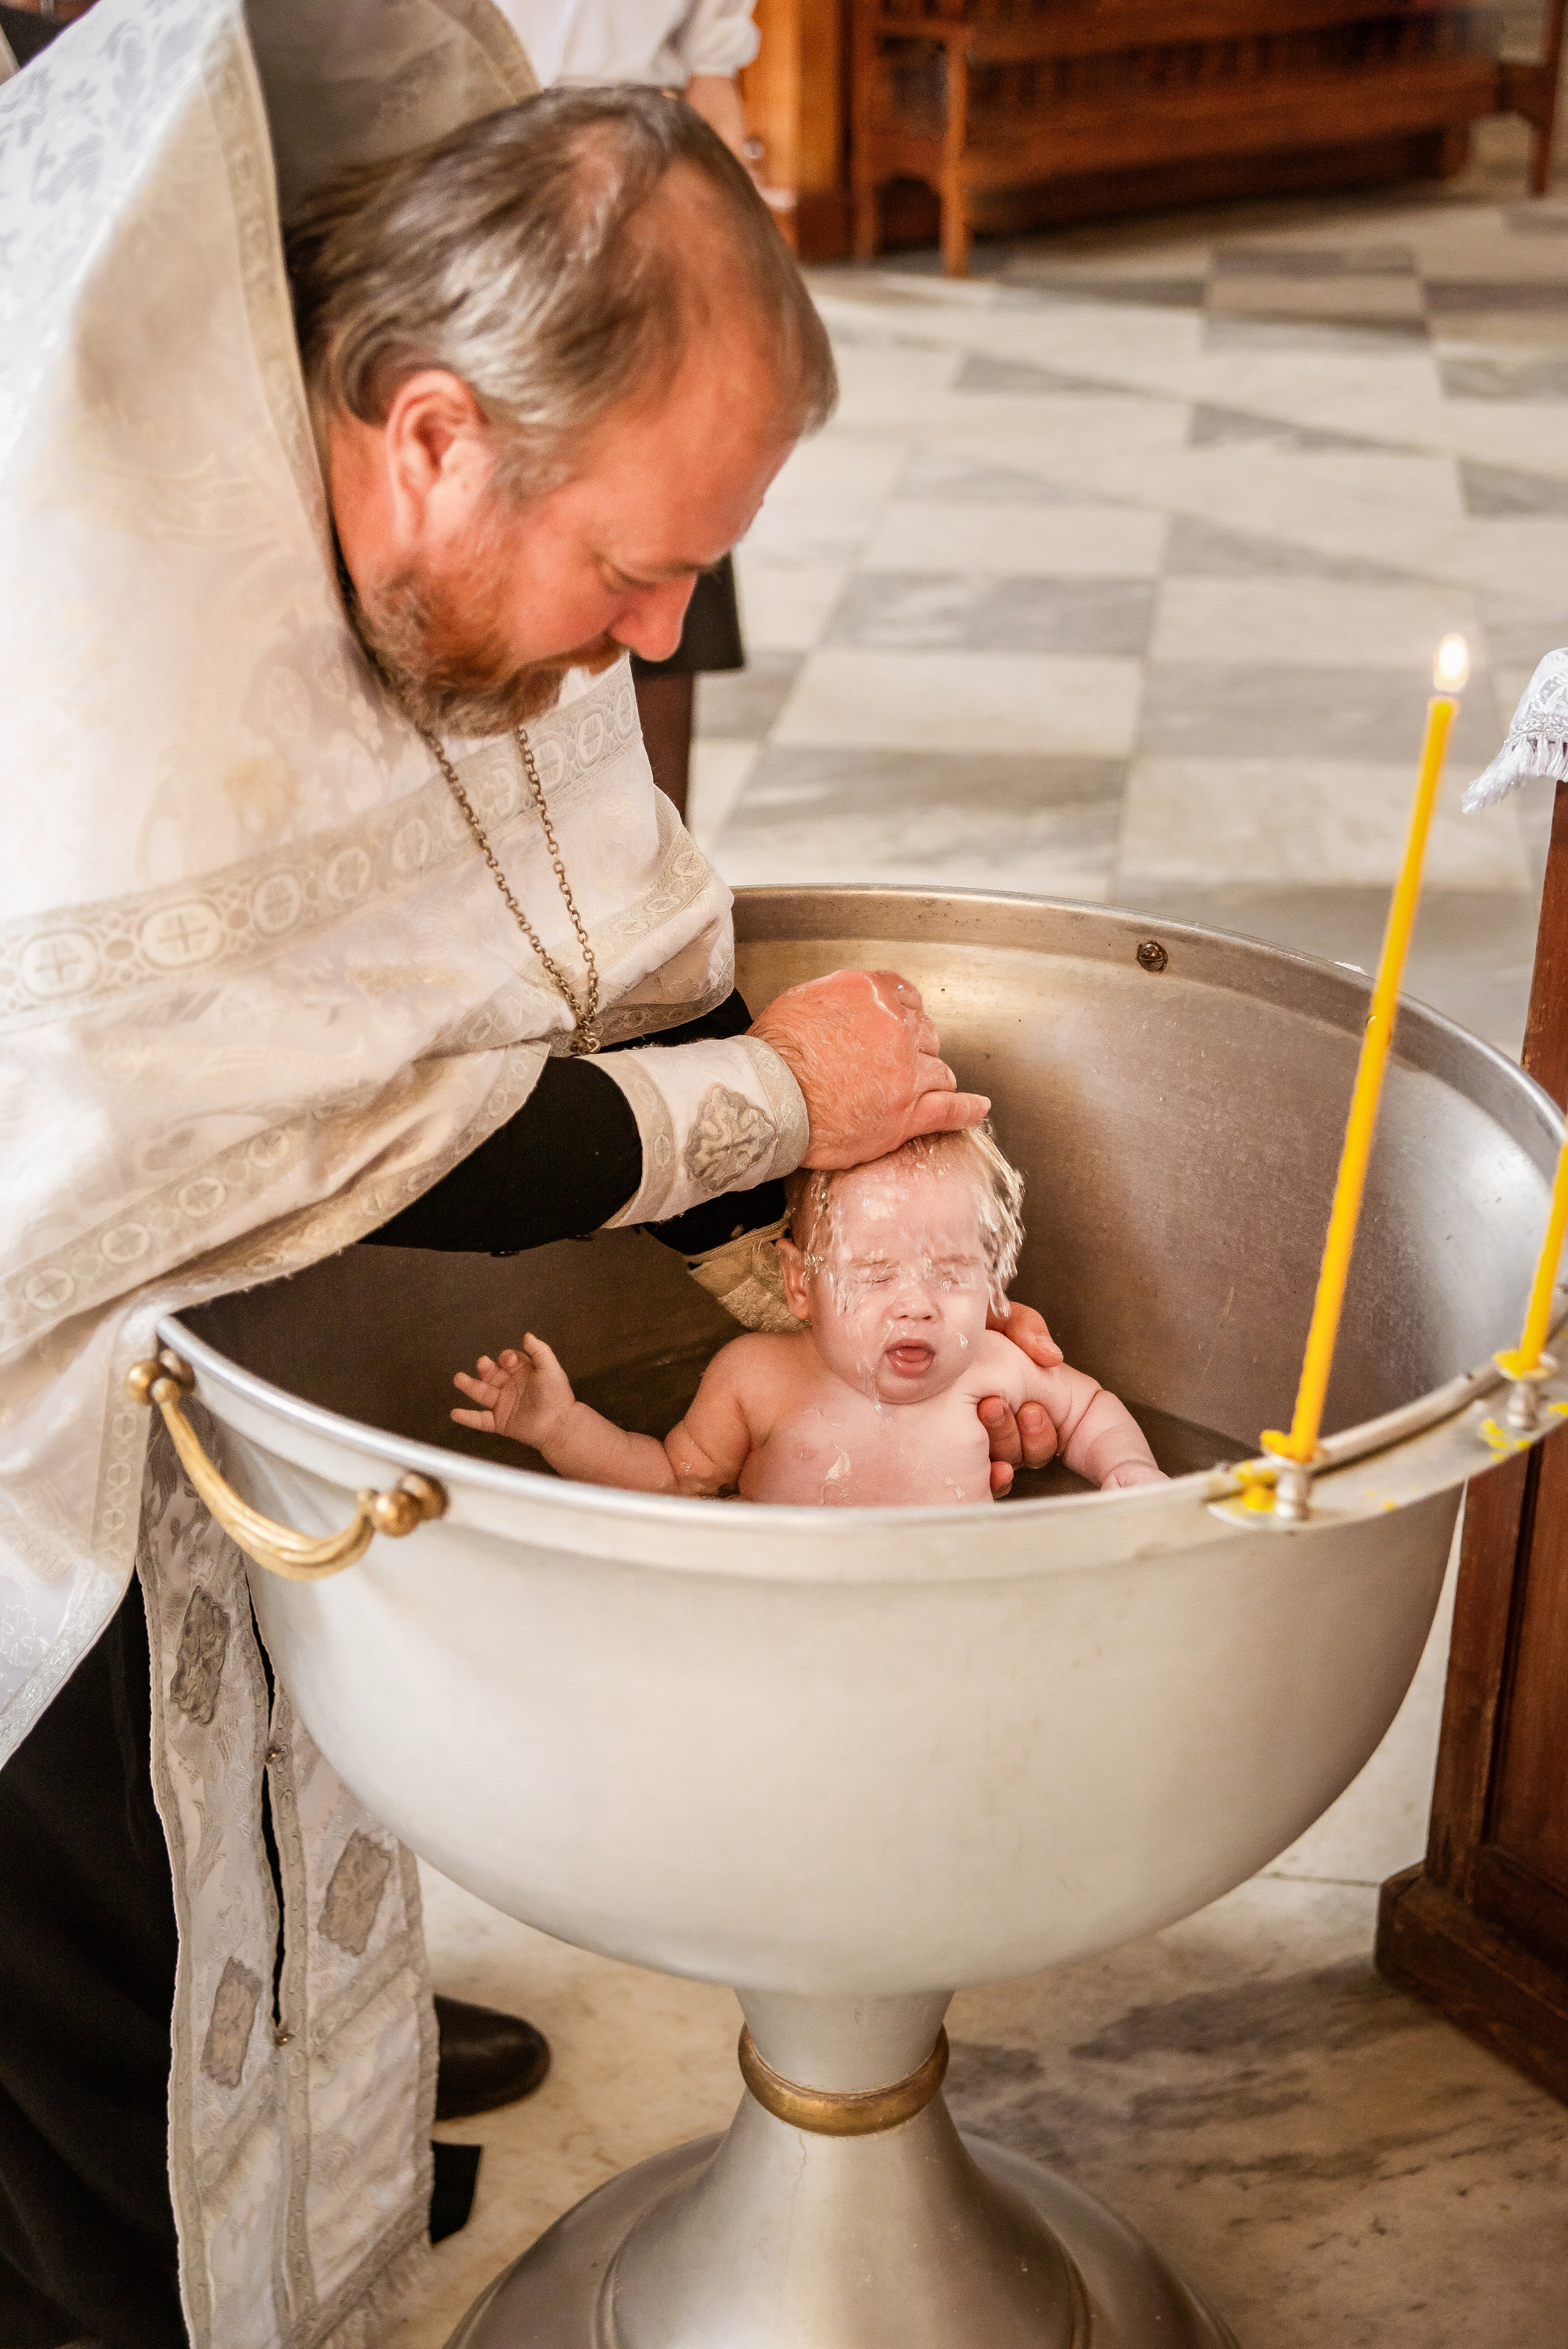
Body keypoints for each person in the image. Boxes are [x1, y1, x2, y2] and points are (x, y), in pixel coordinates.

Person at [0, 9, 1068, 2346]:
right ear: (434, 434)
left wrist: (811, 1207)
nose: (664, 637)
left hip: (214, 1420)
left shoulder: (451, 519)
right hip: (31, 1477)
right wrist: (768, 1112)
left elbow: (545, 940)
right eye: (635, 567)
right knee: (85, 2101)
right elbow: (272, 1143)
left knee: (266, 1918)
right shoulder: (104, 600)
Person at [452, 1128, 1166, 1502]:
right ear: (801, 1285)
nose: (915, 1304)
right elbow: (674, 1481)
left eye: (950, 1275)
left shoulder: (990, 1364)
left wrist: (1131, 1472)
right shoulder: (755, 1378)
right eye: (877, 1273)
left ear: (993, 1279)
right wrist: (561, 1429)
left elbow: (1085, 1412)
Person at [496, 1, 764, 817]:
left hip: (647, 192)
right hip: (484, 181)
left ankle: (658, 867)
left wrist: (735, 239)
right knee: (519, 533)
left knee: (661, 532)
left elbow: (713, 81)